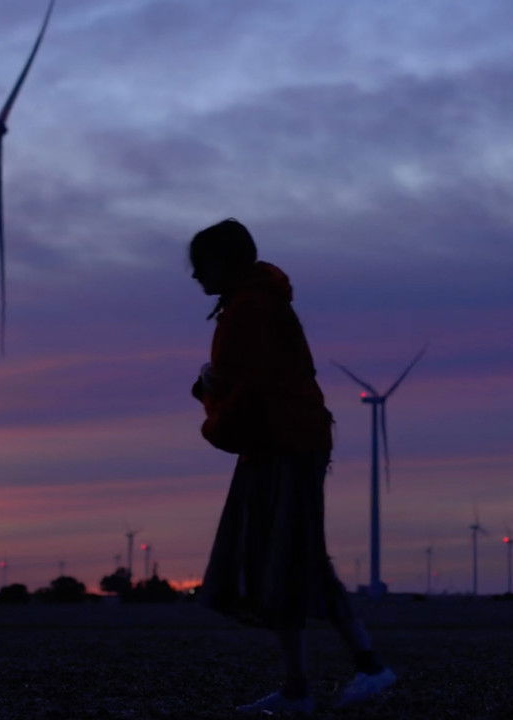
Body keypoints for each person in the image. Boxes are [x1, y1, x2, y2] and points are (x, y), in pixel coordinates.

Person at [189, 219, 396, 715]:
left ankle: (362, 670)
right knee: (282, 557)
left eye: (201, 265)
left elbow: (252, 384)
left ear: (225, 262)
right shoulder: (252, 304)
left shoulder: (252, 309)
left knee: (285, 556)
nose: (195, 276)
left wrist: (211, 401)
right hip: (279, 441)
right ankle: (306, 685)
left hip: (284, 443)